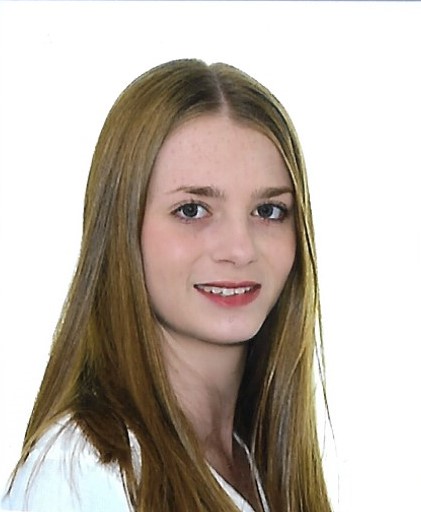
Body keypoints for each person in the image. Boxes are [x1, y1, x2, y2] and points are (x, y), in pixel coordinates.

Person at [1, 59, 331, 512]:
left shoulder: (255, 460)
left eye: (268, 211)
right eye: (192, 210)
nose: (240, 249)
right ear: (121, 229)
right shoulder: (80, 474)